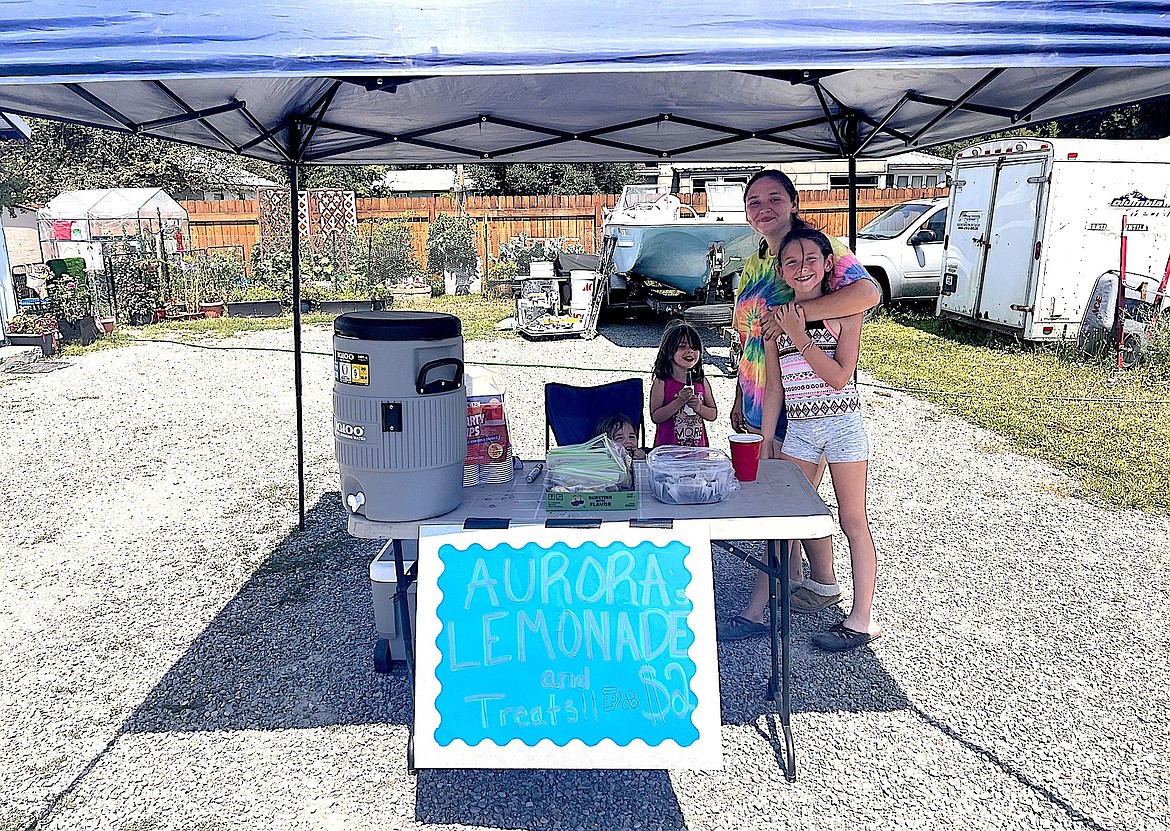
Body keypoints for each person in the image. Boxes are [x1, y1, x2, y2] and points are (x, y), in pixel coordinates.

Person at [720, 168, 881, 641]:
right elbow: (749, 336)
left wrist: (793, 321)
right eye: (753, 202)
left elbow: (866, 293)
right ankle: (788, 589)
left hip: (814, 408)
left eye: (774, 197)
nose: (763, 207)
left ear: (793, 201)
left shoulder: (824, 249)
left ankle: (825, 589)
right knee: (783, 507)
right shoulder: (755, 264)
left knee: (806, 510)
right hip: (764, 399)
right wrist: (738, 392)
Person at [758, 227, 880, 650]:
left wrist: (801, 335)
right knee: (782, 517)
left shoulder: (845, 313)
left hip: (843, 427)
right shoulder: (774, 321)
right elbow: (774, 386)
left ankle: (862, 618)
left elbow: (839, 376)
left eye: (812, 258)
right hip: (801, 431)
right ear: (781, 270)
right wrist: (767, 436)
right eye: (792, 261)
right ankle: (760, 607)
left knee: (853, 520)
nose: (802, 267)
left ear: (829, 264)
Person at [649, 320, 717, 447]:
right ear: (669, 351)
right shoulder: (661, 382)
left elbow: (713, 414)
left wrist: (699, 408)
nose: (690, 351)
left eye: (694, 347)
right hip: (668, 454)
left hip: (697, 452)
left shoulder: (701, 381)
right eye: (682, 346)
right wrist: (678, 402)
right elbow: (656, 417)